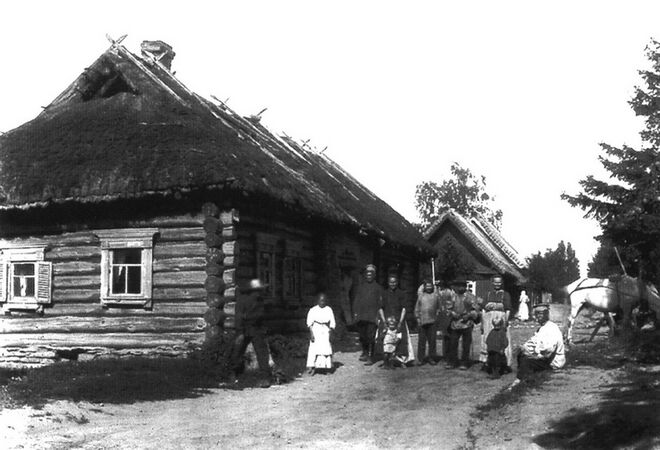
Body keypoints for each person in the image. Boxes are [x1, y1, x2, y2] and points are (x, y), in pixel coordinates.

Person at [510, 303, 565, 389]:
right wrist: (523, 347)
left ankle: (521, 381)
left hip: (552, 362)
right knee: (521, 353)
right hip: (544, 358)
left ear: (546, 315)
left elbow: (549, 350)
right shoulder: (542, 328)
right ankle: (522, 377)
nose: (537, 317)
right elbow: (533, 341)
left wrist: (535, 356)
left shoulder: (552, 328)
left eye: (540, 314)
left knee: (527, 361)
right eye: (536, 314)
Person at [231, 278, 271, 385]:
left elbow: (263, 316)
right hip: (244, 329)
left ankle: (265, 378)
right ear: (253, 290)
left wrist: (263, 329)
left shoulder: (260, 301)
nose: (259, 292)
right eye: (258, 290)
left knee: (262, 353)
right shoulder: (243, 301)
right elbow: (238, 317)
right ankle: (234, 375)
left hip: (257, 329)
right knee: (238, 352)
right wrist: (240, 332)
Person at [378, 274, 415, 365]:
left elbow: (404, 308)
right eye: (391, 282)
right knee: (385, 339)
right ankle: (387, 360)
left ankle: (400, 360)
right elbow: (380, 308)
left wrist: (400, 322)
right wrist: (383, 321)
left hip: (399, 320)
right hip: (387, 320)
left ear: (397, 282)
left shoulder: (401, 293)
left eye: (394, 282)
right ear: (388, 283)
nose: (392, 284)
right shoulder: (384, 293)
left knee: (401, 339)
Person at [479, 275, 513, 371]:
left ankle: (503, 363)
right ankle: (487, 362)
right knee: (488, 338)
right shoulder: (488, 294)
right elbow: (483, 309)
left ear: (501, 283)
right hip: (488, 320)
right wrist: (482, 322)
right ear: (492, 283)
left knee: (501, 338)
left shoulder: (505, 294)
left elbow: (508, 309)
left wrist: (506, 320)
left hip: (500, 318)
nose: (497, 284)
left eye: (499, 282)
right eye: (495, 282)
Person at [446, 279, 481, 370]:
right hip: (455, 323)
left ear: (465, 287)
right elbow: (447, 309)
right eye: (458, 286)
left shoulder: (471, 297)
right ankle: (453, 361)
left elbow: (477, 311)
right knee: (453, 344)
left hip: (467, 324)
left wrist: (469, 315)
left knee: (466, 345)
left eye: (462, 286)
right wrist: (453, 314)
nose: (460, 288)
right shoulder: (452, 297)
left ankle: (464, 362)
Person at [351, 264, 383, 365]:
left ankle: (370, 356)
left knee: (371, 337)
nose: (369, 276)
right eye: (367, 275)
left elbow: (380, 303)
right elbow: (356, 300)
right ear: (365, 275)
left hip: (372, 317)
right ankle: (364, 352)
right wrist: (355, 313)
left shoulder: (378, 288)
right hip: (362, 316)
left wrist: (379, 316)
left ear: (374, 276)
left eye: (371, 275)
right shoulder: (361, 287)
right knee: (363, 336)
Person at [306, 293, 336, 375]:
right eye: (321, 300)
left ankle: (326, 367)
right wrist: (311, 333)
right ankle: (312, 367)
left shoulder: (328, 309)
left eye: (324, 300)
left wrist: (331, 331)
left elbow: (332, 322)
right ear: (317, 301)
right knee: (314, 348)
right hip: (316, 329)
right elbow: (309, 324)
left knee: (325, 348)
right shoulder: (313, 310)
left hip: (325, 330)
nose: (322, 302)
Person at [414, 280, 441, 365]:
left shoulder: (436, 296)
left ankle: (432, 358)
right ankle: (420, 359)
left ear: (432, 287)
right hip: (422, 321)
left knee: (432, 341)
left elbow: (439, 308)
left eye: (430, 286)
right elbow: (416, 309)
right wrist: (418, 318)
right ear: (424, 287)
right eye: (427, 286)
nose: (429, 288)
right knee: (422, 341)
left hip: (432, 322)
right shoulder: (421, 296)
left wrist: (437, 315)